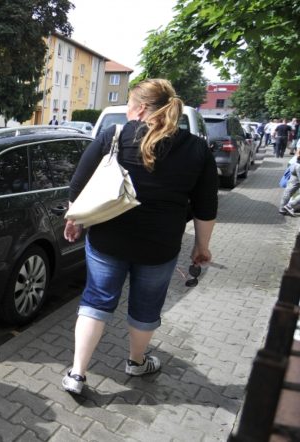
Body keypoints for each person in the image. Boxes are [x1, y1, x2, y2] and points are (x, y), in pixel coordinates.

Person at [61, 78, 218, 395]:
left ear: (142, 108)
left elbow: (78, 185)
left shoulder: (114, 135)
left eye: (130, 105)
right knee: (146, 306)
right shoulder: (197, 148)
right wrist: (202, 247)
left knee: (97, 301)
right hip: (160, 246)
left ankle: (77, 374)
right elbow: (206, 206)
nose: (128, 112)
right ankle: (136, 362)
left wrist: (76, 219)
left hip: (107, 240)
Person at [279, 149, 300, 216]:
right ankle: (289, 206)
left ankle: (282, 209)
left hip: (295, 164)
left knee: (289, 191)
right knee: (289, 191)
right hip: (298, 166)